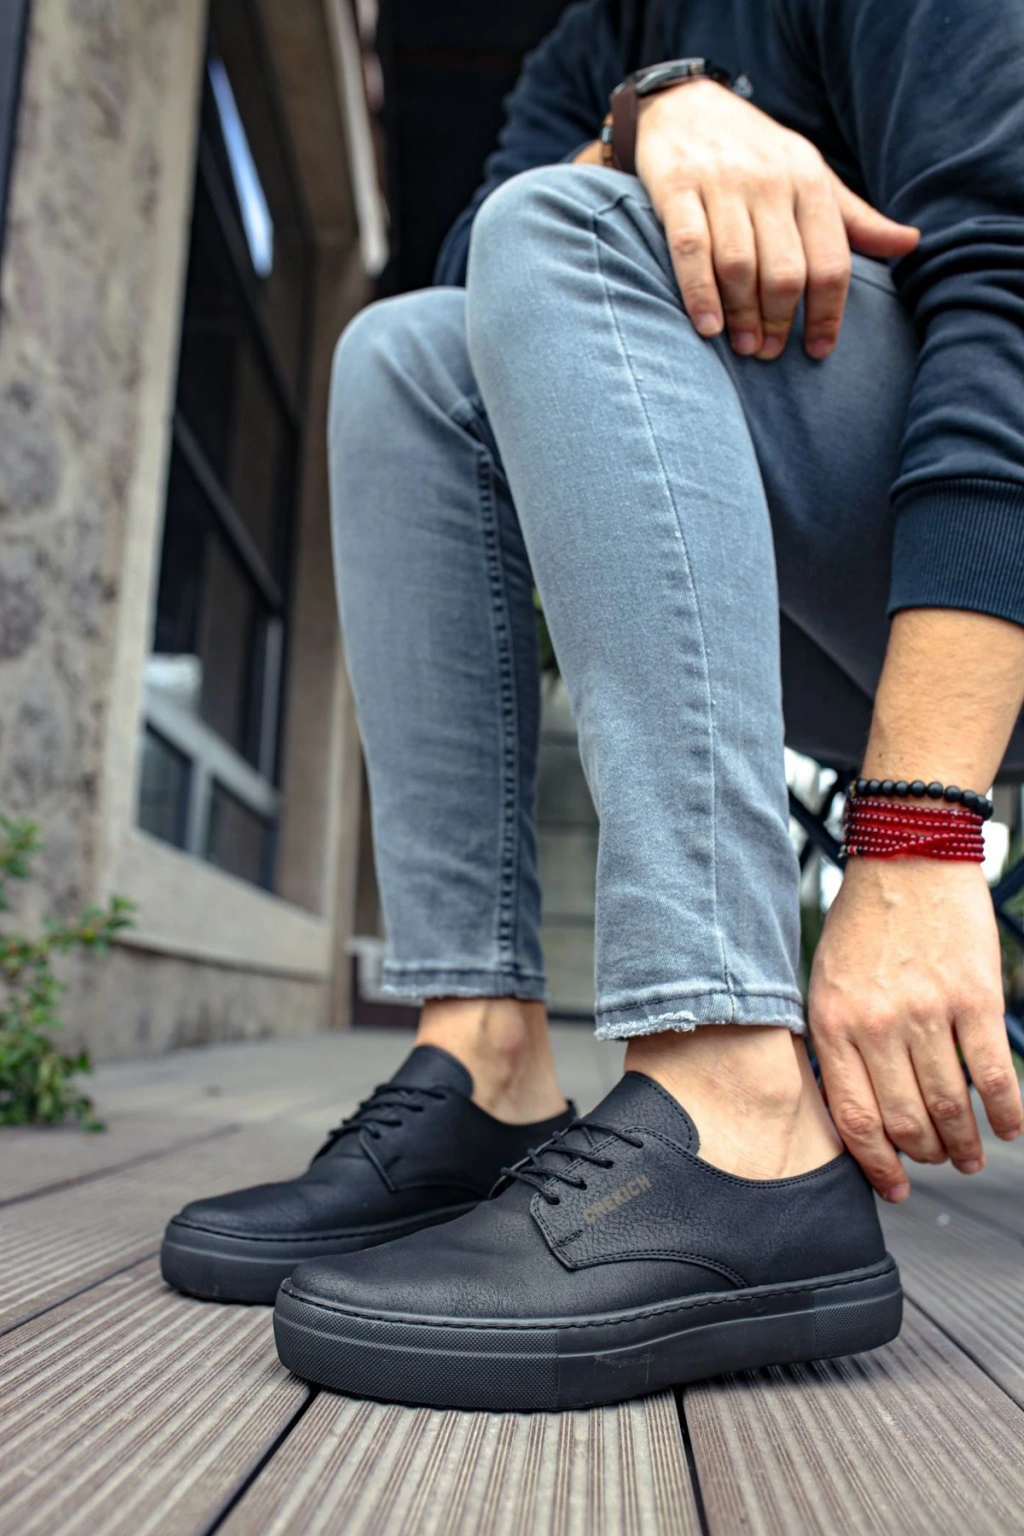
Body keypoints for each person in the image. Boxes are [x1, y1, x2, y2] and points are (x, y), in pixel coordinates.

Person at [162, 0, 1024, 1412]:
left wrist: (920, 833)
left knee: (573, 230)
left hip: (981, 598)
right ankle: (486, 1064)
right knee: (407, 355)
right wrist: (650, 126)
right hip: (833, 612)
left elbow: (1011, 301)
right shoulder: (595, 38)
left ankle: (737, 1104)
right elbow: (476, 277)